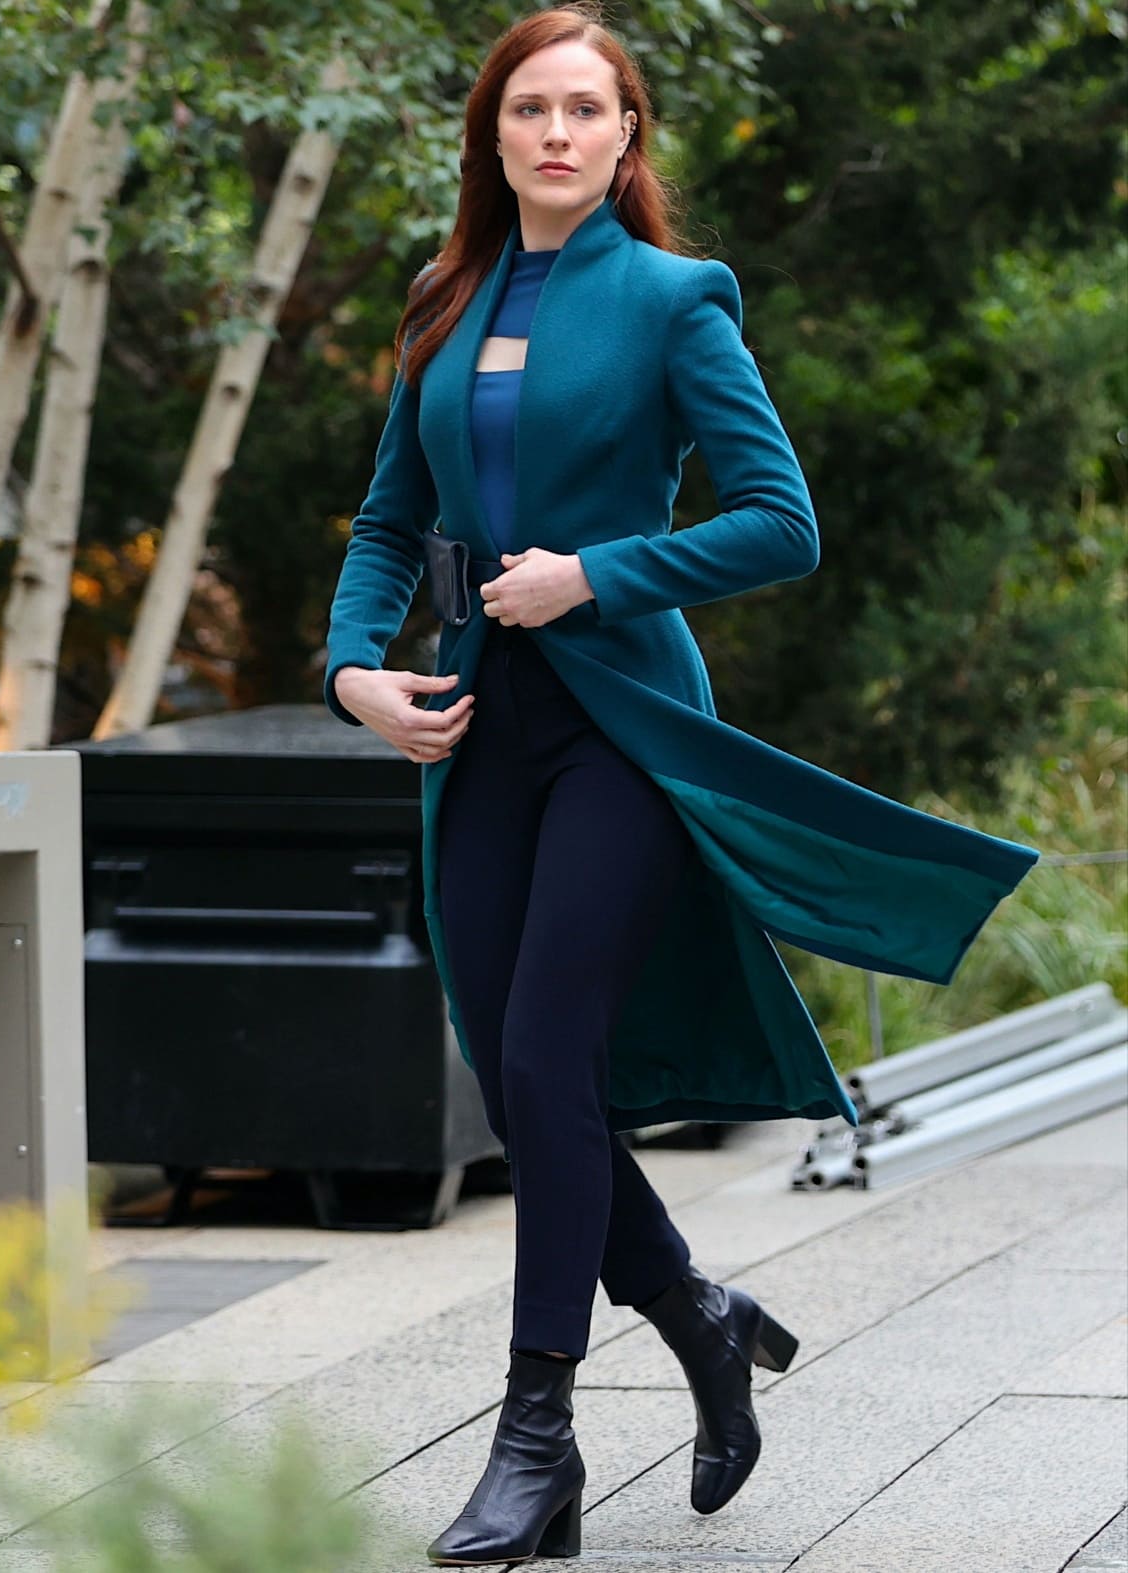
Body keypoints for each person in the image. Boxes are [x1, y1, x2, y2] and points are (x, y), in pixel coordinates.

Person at [323, 5, 1038, 1564]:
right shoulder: (444, 299)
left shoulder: (672, 299)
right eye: (532, 110)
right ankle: (706, 1321)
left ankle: (537, 1441)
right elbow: (388, 522)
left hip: (623, 727)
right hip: (473, 730)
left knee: (547, 1047)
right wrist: (353, 670)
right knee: (524, 1082)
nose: (560, 133)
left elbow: (783, 522)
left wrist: (596, 576)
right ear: (493, 134)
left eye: (590, 109)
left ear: (629, 136)